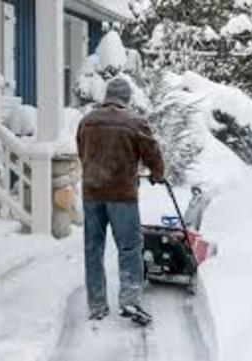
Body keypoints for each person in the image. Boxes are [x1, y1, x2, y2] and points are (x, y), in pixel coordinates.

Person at [76, 77, 165, 325]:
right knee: (129, 247)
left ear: (107, 97)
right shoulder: (134, 122)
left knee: (93, 249)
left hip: (92, 194)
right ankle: (130, 300)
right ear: (126, 99)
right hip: (121, 195)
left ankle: (96, 305)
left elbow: (82, 152)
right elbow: (152, 152)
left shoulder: (86, 121)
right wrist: (157, 173)